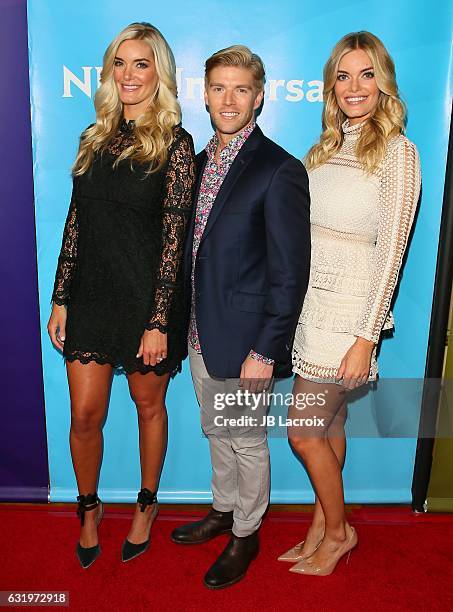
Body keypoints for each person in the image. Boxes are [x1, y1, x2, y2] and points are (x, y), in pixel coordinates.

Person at [47, 22, 196, 569]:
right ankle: (88, 508)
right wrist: (61, 296)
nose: (130, 74)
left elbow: (175, 241)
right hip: (91, 295)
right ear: (110, 71)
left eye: (142, 63)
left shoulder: (177, 145)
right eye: (121, 63)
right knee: (85, 414)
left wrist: (158, 321)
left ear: (160, 72)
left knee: (146, 405)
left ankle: (147, 503)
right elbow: (76, 222)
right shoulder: (94, 137)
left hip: (146, 301)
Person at [278, 31, 421, 576]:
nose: (354, 87)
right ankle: (319, 526)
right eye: (343, 75)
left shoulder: (398, 152)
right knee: (330, 428)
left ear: (382, 84)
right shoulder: (326, 147)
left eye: (366, 75)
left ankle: (339, 534)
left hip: (350, 314)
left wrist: (367, 336)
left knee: (304, 431)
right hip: (312, 309)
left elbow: (393, 251)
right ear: (330, 85)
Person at [170, 45, 311, 589]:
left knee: (246, 440)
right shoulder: (199, 164)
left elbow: (289, 273)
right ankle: (223, 510)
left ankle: (246, 534)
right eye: (219, 88)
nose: (229, 100)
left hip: (248, 339)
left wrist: (265, 349)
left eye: (241, 89)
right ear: (205, 94)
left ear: (259, 97)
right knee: (217, 432)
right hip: (202, 332)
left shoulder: (279, 169)